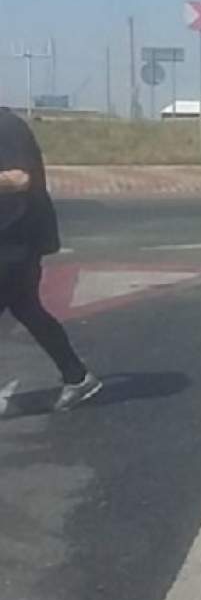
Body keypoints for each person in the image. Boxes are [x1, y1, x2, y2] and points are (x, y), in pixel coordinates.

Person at [0, 107, 101, 411]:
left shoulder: (8, 127)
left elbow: (20, 179)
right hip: (10, 238)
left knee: (27, 308)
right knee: (28, 309)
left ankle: (78, 377)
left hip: (18, 239)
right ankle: (77, 376)